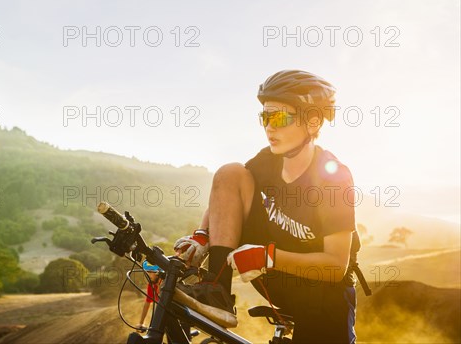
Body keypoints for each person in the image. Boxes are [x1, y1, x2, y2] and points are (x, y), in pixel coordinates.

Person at [174, 70, 359, 343]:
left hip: (325, 296)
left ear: (313, 121)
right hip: (280, 281)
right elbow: (227, 193)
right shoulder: (267, 162)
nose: (269, 127)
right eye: (265, 117)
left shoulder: (333, 176)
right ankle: (216, 291)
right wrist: (203, 235)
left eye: (279, 118)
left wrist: (267, 257)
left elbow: (335, 266)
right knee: (230, 171)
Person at [136, 260, 163, 332]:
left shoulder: (165, 283)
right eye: (147, 272)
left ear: (158, 273)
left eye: (150, 272)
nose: (148, 275)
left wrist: (159, 286)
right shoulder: (151, 285)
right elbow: (147, 303)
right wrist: (141, 323)